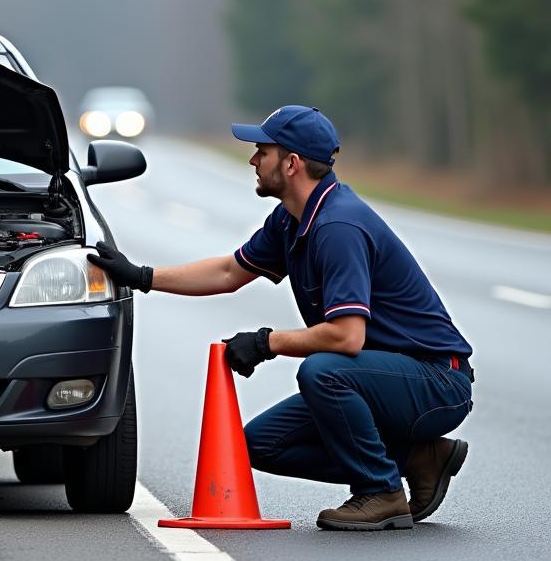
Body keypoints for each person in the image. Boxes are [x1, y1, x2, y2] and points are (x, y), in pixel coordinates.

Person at [89, 105, 473, 531]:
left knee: (323, 372)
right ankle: (421, 458)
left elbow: (347, 338)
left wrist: (267, 342)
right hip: (380, 378)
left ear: (291, 163)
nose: (253, 160)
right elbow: (229, 272)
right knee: (259, 444)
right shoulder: (291, 220)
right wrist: (142, 276)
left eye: (262, 151)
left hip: (436, 381)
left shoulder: (338, 227)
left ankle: (380, 491)